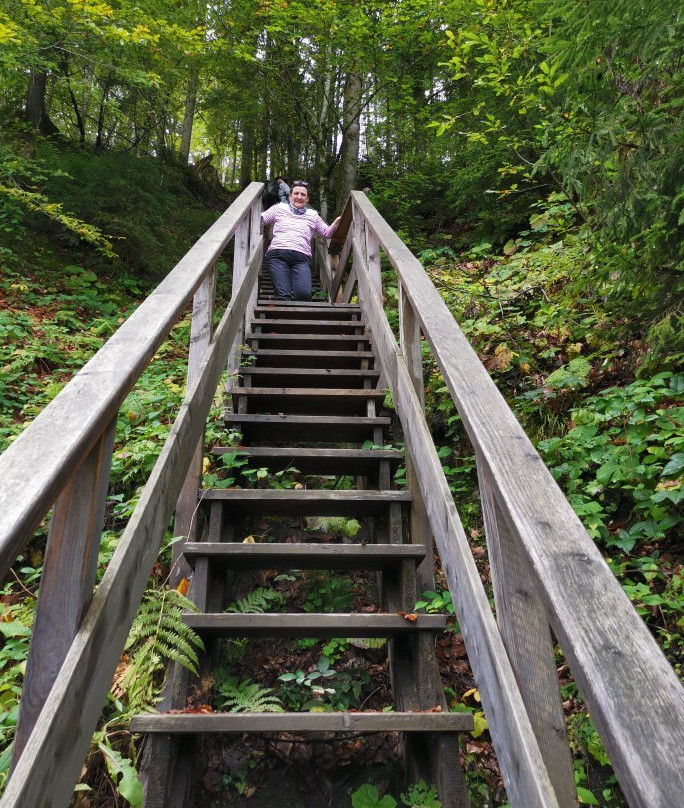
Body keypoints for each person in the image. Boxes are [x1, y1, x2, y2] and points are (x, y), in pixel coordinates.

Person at [260, 180, 341, 301]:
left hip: (302, 259)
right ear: (290, 196)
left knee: (303, 295)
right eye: (296, 193)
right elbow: (261, 219)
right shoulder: (279, 208)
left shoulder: (313, 215)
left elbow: (326, 233)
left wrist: (335, 224)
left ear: (307, 199)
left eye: (303, 195)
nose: (299, 197)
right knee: (284, 296)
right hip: (277, 256)